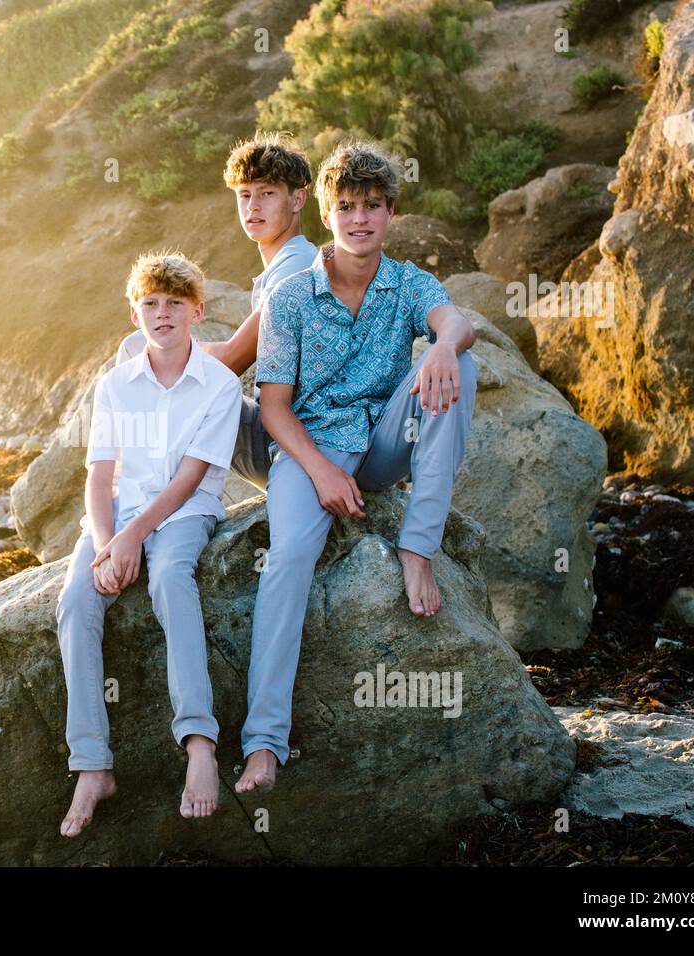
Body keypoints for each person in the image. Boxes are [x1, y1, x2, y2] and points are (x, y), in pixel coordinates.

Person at [235, 140, 479, 795]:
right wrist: (318, 472)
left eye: (372, 206)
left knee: (464, 365)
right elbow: (275, 407)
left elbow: (454, 320)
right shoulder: (290, 295)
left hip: (379, 445)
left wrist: (441, 349)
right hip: (308, 447)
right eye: (346, 207)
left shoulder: (407, 283)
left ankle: (417, 549)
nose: (360, 219)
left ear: (391, 212)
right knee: (287, 561)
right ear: (327, 211)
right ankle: (263, 745)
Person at [57, 251, 242, 837]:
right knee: (76, 602)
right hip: (119, 514)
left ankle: (199, 743)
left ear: (197, 312)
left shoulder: (221, 383)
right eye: (151, 304)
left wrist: (135, 537)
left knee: (168, 579)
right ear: (135, 315)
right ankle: (91, 764)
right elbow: (98, 475)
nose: (163, 313)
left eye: (175, 303)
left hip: (187, 510)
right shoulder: (114, 384)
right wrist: (109, 540)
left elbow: (190, 478)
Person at [114, 132, 319, 491]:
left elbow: (230, 361)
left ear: (298, 198)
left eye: (267, 193)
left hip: (287, 448)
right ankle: (140, 481)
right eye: (244, 195)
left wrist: (175, 347)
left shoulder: (296, 266)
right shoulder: (287, 262)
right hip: (281, 436)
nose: (253, 206)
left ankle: (135, 485)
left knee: (138, 346)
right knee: (150, 352)